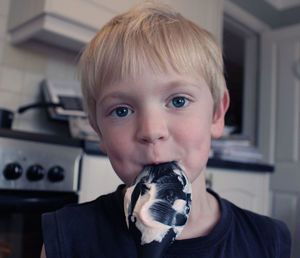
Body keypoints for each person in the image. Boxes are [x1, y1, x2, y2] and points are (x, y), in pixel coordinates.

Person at [41, 2, 291, 257]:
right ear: (99, 132)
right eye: (122, 110)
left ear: (216, 114)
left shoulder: (267, 240)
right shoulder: (67, 237)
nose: (151, 131)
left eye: (178, 101)